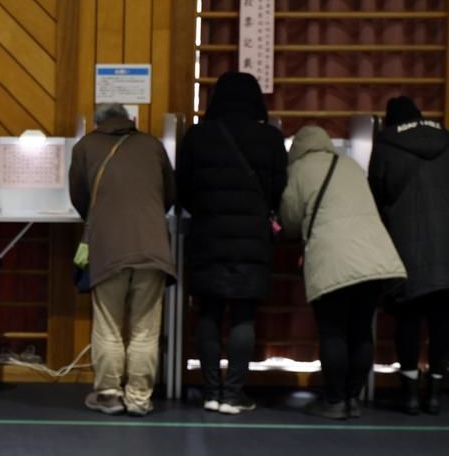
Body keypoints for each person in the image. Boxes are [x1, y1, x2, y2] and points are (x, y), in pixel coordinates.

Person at [176, 72, 288, 415]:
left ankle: (210, 391)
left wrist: (207, 211)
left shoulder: (197, 136)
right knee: (243, 315)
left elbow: (182, 190)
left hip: (208, 234)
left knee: (208, 313)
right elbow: (279, 190)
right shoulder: (270, 137)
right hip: (252, 239)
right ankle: (234, 394)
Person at [280, 126, 406, 419]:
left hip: (333, 258)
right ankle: (352, 399)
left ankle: (334, 401)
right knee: (361, 330)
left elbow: (289, 220)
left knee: (333, 330)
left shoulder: (299, 169)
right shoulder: (349, 164)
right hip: (374, 258)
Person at [69, 104, 176, 416]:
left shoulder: (85, 146)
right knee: (146, 328)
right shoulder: (152, 145)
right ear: (130, 121)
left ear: (97, 122)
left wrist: (100, 216)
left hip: (108, 248)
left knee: (108, 325)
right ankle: (139, 399)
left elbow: (79, 196)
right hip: (153, 247)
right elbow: (169, 193)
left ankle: (109, 395)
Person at [368, 96, 449, 415]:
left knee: (409, 320)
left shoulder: (386, 145)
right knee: (443, 322)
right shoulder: (446, 141)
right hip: (446, 249)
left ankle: (410, 394)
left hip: (405, 246)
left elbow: (374, 196)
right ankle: (434, 392)